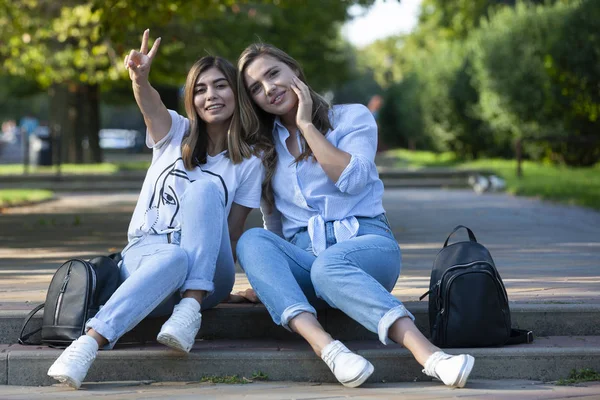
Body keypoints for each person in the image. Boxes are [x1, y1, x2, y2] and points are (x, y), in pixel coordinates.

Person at [235, 43, 475, 389]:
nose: (269, 89)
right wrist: (269, 277)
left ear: (295, 71)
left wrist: (305, 125)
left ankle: (431, 357)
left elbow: (353, 179)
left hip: (367, 246)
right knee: (254, 239)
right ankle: (331, 351)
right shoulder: (263, 145)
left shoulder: (352, 117)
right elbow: (274, 223)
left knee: (329, 266)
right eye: (256, 88)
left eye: (273, 74)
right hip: (308, 260)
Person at [47, 30, 263, 389]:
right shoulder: (174, 132)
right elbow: (150, 104)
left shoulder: (249, 161)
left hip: (210, 273)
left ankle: (191, 307)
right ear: (191, 98)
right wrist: (140, 79)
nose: (211, 95)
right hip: (148, 256)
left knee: (206, 189)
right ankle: (88, 344)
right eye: (201, 88)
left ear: (236, 94)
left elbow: (233, 232)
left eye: (221, 86)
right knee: (174, 259)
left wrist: (243, 285)